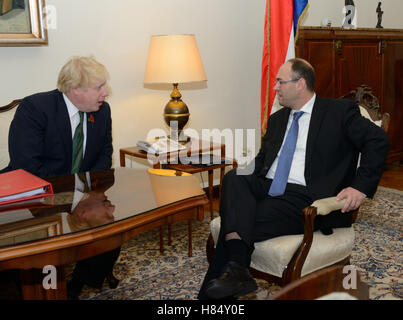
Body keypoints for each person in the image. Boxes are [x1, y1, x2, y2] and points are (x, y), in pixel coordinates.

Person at [198, 58, 389, 300]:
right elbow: (262, 161)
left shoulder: (339, 112)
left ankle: (220, 288)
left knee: (234, 223)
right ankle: (238, 273)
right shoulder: (278, 119)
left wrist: (359, 188)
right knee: (236, 177)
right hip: (269, 186)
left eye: (280, 81)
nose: (275, 87)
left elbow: (378, 141)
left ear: (300, 84)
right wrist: (242, 189)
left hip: (308, 197)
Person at [2, 56, 119, 299]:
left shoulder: (102, 111)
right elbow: (27, 167)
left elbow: (104, 157)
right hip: (30, 198)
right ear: (75, 88)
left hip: (79, 193)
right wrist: (76, 198)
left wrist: (88, 197)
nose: (106, 93)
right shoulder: (35, 108)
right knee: (38, 252)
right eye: (99, 87)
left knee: (111, 228)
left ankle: (78, 284)